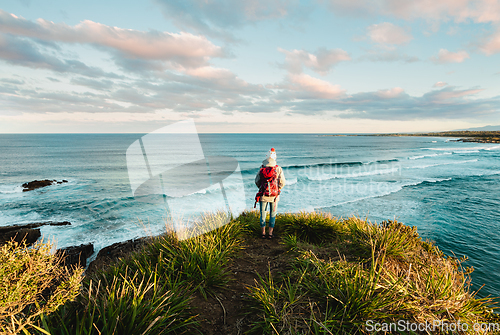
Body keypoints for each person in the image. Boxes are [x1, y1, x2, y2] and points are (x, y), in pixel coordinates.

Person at [255, 148, 286, 239]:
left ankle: (263, 234)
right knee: (273, 214)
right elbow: (282, 182)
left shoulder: (262, 168)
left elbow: (257, 181)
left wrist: (262, 189)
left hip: (263, 195)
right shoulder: (278, 168)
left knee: (263, 214)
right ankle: (270, 234)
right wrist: (277, 189)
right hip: (274, 196)